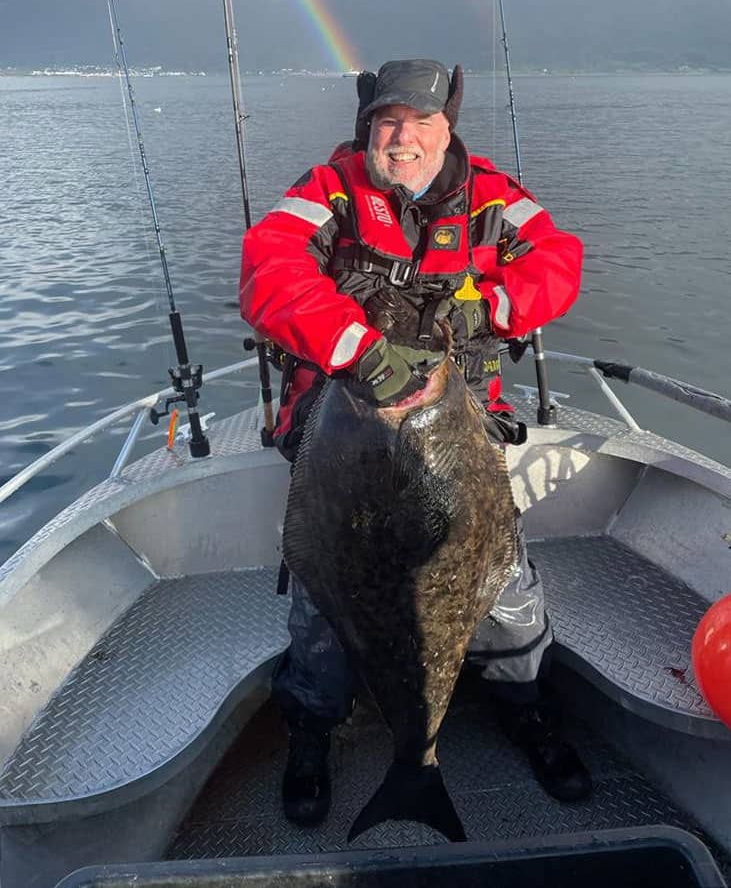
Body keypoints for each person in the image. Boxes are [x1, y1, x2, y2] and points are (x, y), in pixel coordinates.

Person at [239, 59, 591, 828]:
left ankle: (524, 709)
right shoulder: (325, 193)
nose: (401, 139)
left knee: (501, 586)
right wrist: (356, 348)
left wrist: (489, 307)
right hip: (345, 427)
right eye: (386, 124)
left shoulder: (494, 199)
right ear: (367, 129)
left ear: (447, 129)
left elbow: (558, 262)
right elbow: (268, 269)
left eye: (419, 124)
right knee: (325, 598)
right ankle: (310, 729)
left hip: (459, 430)